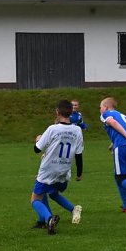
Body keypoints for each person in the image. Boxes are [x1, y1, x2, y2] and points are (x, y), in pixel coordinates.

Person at [30, 100, 85, 234]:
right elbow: (78, 155)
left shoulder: (52, 129)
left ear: (57, 112)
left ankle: (49, 219)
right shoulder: (77, 130)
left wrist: (38, 139)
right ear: (71, 112)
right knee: (52, 193)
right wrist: (79, 173)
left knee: (35, 199)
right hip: (64, 171)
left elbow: (37, 149)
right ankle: (70, 210)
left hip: (48, 169)